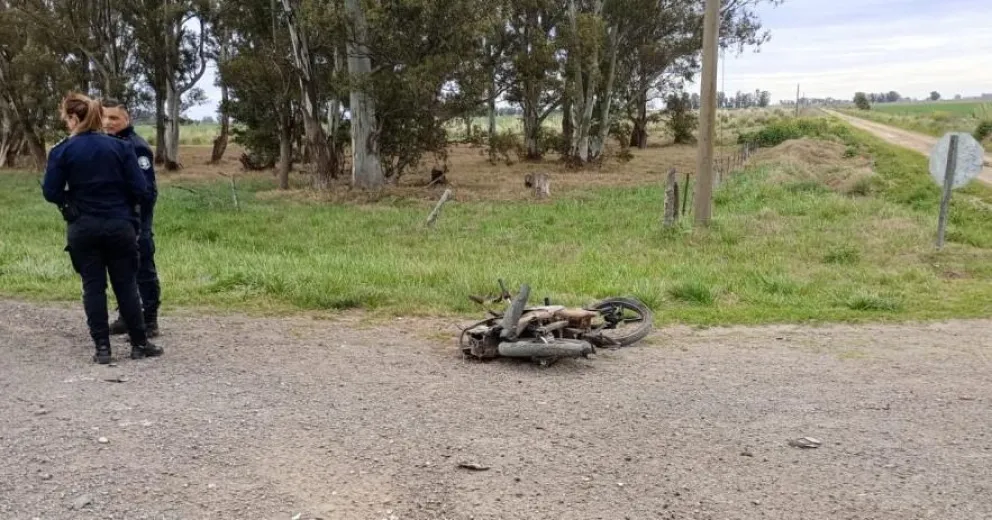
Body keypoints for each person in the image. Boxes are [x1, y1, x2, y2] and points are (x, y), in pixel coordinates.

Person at [42, 92, 164, 364]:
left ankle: (102, 348)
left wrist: (70, 203)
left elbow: (50, 191)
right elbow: (141, 188)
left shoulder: (62, 150)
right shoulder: (120, 147)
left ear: (74, 119)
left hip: (83, 226)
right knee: (126, 284)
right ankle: (139, 343)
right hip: (119, 224)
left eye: (66, 119)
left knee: (93, 286)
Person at [100, 98, 162, 338]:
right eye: (104, 117)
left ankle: (150, 319)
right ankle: (126, 316)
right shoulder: (106, 145)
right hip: (116, 220)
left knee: (143, 268)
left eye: (114, 118)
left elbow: (147, 190)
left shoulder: (137, 146)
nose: (108, 122)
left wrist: (138, 220)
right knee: (121, 271)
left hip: (136, 220)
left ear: (127, 119)